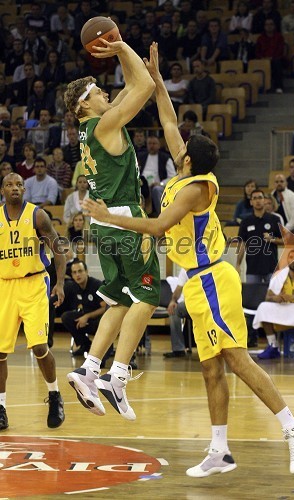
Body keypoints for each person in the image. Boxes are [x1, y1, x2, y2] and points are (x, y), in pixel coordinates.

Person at [82, 42, 294, 476]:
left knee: (236, 359)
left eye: (185, 146)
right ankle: (220, 450)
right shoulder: (183, 173)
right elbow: (168, 117)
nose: (179, 144)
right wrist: (154, 78)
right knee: (210, 369)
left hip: (214, 279)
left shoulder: (196, 186)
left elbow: (154, 227)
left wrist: (106, 216)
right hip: (196, 280)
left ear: (189, 157)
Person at [64, 37, 161, 421]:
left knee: (120, 299)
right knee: (147, 297)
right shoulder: (105, 123)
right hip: (125, 220)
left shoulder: (91, 129)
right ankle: (116, 376)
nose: (105, 92)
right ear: (83, 104)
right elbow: (146, 89)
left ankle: (89, 369)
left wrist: (137, 63)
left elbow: (135, 86)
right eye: (96, 90)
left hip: (102, 224)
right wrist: (120, 46)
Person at [0, 172, 65, 431]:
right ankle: (1, 408)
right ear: (2, 190)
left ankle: (54, 395)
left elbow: (58, 249)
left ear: (25, 190)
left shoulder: (37, 216)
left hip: (34, 283)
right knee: (0, 353)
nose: (14, 188)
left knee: (39, 346)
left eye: (18, 185)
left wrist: (60, 283)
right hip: (5, 286)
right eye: (9, 185)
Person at [254, 249, 294, 360]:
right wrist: (275, 298)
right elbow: (267, 297)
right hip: (284, 308)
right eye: (291, 258)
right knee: (263, 307)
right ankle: (273, 346)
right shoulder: (280, 274)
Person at [60, 260, 106, 356]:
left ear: (86, 272)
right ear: (72, 275)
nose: (78, 275)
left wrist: (87, 316)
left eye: (80, 271)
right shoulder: (73, 287)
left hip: (99, 319)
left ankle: (101, 352)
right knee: (66, 317)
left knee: (101, 322)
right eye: (74, 272)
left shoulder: (96, 285)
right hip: (85, 318)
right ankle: (85, 345)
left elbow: (105, 308)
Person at [236, 189, 282, 284]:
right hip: (252, 268)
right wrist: (238, 264)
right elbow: (242, 245)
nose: (257, 200)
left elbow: (285, 240)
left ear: (264, 200)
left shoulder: (274, 219)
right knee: (253, 298)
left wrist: (272, 239)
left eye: (260, 198)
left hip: (271, 267)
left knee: (272, 297)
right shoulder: (245, 222)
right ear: (251, 202)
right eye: (255, 198)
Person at [137, 134, 176, 215]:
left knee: (156, 190)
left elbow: (173, 177)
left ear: (159, 145)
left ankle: (162, 216)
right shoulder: (141, 156)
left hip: (159, 185)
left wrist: (160, 184)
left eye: (154, 144)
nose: (152, 146)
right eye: (149, 144)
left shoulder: (165, 158)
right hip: (143, 185)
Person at [164, 268, 189, 358]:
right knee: (174, 309)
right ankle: (178, 349)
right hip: (191, 303)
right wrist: (173, 301)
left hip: (207, 303)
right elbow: (179, 288)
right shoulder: (186, 268)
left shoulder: (211, 265)